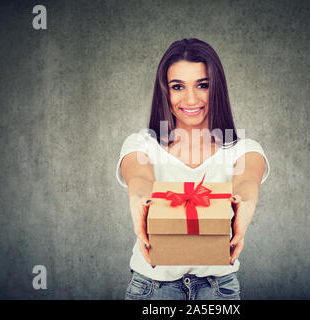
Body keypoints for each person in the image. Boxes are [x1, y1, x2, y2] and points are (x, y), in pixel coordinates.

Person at [116, 38, 270, 300]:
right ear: (165, 91)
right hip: (152, 288)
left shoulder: (242, 148)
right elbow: (140, 177)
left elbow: (246, 181)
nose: (191, 98)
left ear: (217, 88)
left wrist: (244, 204)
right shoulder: (142, 144)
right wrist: (139, 197)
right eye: (178, 87)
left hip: (218, 289)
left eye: (203, 85)